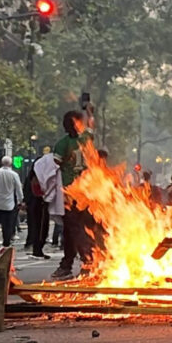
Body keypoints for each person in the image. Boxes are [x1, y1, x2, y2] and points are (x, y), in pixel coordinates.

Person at [51, 110, 95, 280]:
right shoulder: (87, 138)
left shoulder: (62, 144)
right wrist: (89, 110)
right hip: (89, 192)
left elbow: (55, 163)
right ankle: (71, 264)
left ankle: (84, 262)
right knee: (80, 229)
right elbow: (91, 126)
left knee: (74, 229)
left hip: (71, 193)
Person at [0, 156, 24, 253]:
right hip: (9, 205)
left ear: (1, 163)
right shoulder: (14, 175)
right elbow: (18, 189)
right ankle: (6, 242)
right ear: (10, 164)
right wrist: (20, 201)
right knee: (8, 225)